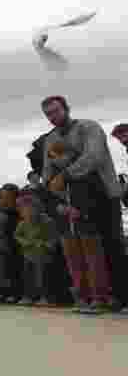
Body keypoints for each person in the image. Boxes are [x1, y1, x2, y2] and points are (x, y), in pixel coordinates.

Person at [39, 96, 126, 312]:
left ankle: (123, 298)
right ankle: (95, 297)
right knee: (86, 249)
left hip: (105, 194)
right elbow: (48, 171)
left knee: (112, 246)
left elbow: (93, 157)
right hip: (73, 199)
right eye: (48, 113)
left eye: (56, 110)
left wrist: (65, 174)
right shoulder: (50, 139)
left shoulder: (89, 127)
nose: (53, 116)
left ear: (66, 109)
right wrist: (50, 187)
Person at [46, 139, 113, 313]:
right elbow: (48, 200)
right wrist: (58, 208)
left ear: (70, 154)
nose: (57, 160)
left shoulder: (87, 173)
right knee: (74, 264)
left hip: (87, 224)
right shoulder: (53, 177)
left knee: (94, 261)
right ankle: (82, 297)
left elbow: (99, 196)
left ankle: (99, 299)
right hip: (65, 227)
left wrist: (82, 211)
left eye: (60, 155)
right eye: (53, 157)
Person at [13, 189, 58, 306]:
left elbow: (53, 236)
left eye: (28, 209)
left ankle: (45, 296)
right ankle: (28, 296)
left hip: (43, 255)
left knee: (43, 277)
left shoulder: (46, 221)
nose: (25, 212)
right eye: (22, 210)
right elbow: (17, 235)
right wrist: (25, 242)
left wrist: (47, 244)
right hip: (28, 255)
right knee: (28, 277)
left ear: (37, 207)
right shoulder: (22, 223)